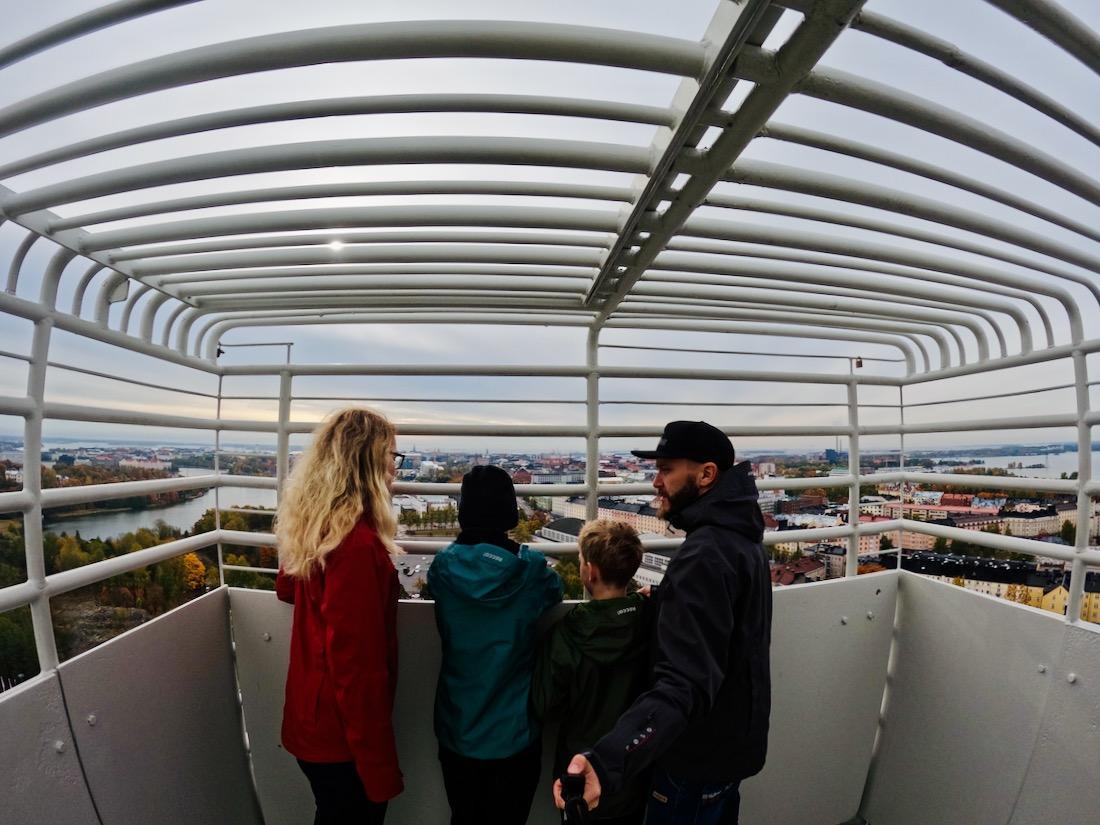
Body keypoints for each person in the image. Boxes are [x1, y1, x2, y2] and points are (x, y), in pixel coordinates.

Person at [553, 420, 772, 825]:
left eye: (667, 469)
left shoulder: (703, 556)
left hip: (694, 758)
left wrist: (605, 761)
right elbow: (728, 632)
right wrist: (669, 602)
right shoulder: (741, 537)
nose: (655, 482)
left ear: (706, 474)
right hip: (731, 748)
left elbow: (683, 682)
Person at [274, 407, 405, 825]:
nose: (395, 470)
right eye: (391, 458)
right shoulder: (357, 545)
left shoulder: (318, 526)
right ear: (366, 463)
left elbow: (287, 587)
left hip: (310, 723)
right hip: (342, 738)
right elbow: (357, 666)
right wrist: (378, 765)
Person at [427, 465, 563, 825]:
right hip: (514, 732)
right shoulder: (531, 570)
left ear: (463, 510)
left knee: (464, 816)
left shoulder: (443, 568)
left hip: (458, 725)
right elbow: (555, 593)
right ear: (509, 510)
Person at [531, 520, 652, 825]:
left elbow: (544, 705)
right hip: (636, 771)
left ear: (590, 572)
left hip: (580, 774)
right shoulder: (652, 619)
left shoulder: (567, 633)